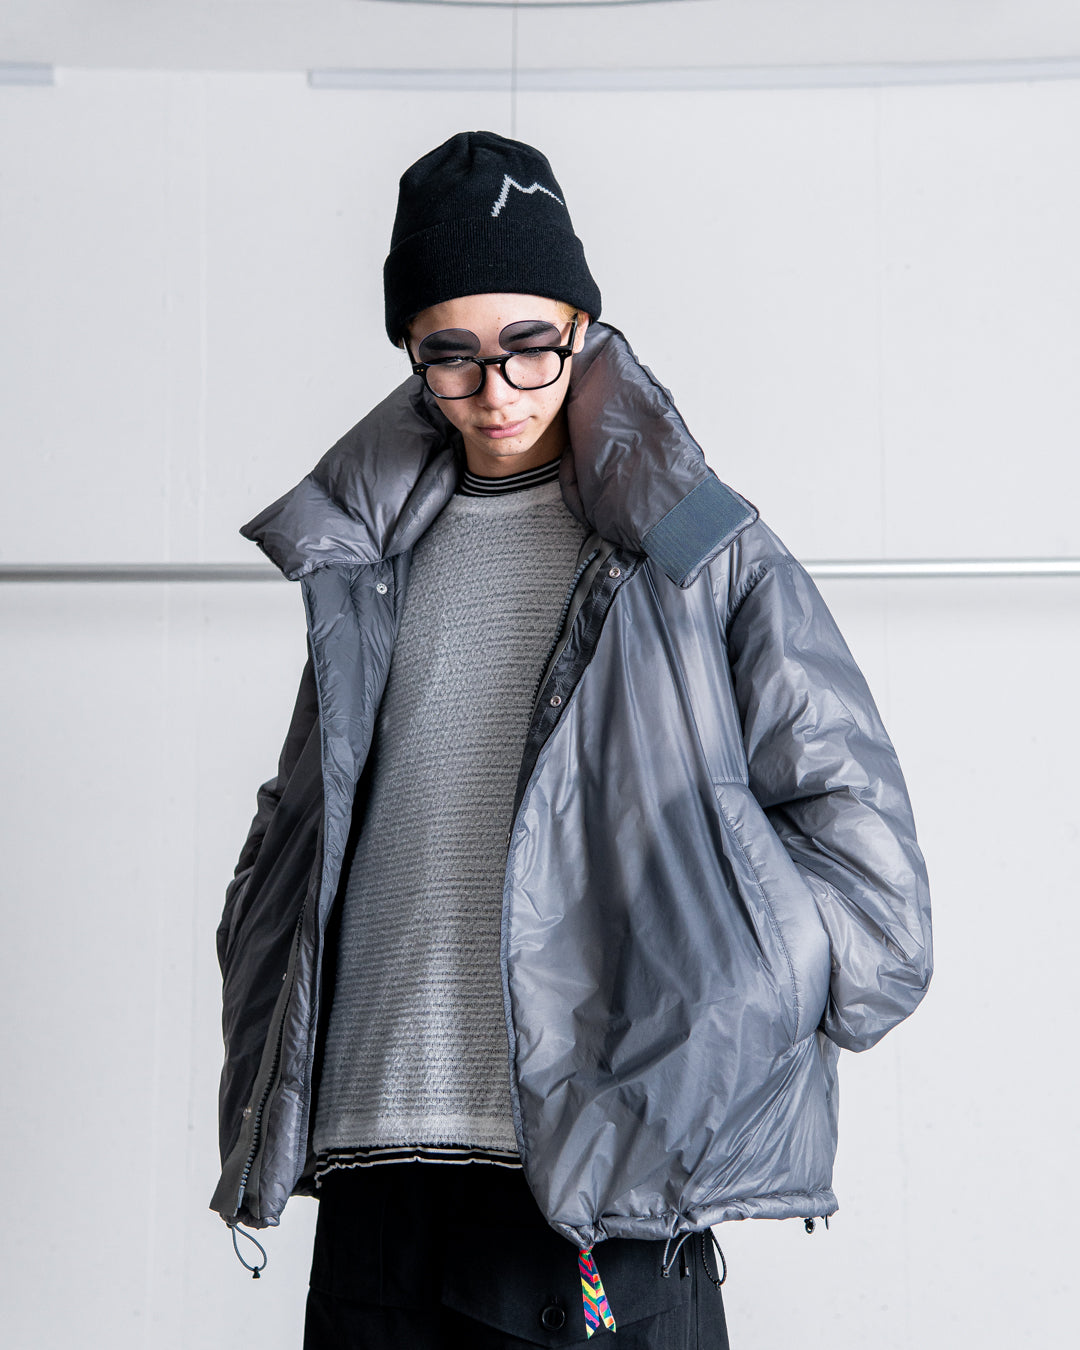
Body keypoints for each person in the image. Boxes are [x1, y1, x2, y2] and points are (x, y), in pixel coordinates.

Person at [212, 131, 933, 1348]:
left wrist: (720, 1016)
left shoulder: (698, 551)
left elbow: (875, 894)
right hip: (374, 1178)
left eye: (528, 345)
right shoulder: (363, 560)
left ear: (581, 326)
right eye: (452, 355)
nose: (496, 389)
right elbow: (305, 823)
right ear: (411, 353)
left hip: (594, 1195)